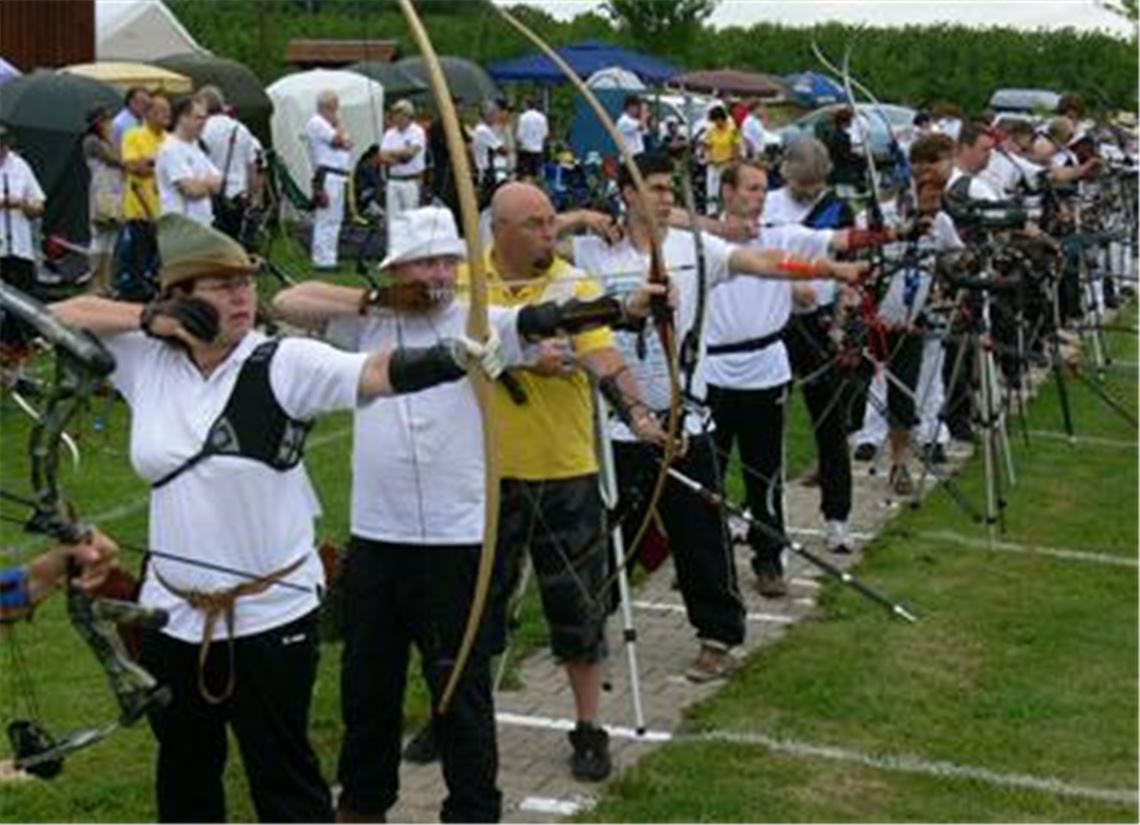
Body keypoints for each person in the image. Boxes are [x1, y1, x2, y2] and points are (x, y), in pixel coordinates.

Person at [51, 213, 503, 823]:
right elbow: (61, 315)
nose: (242, 296)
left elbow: (372, 371)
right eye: (221, 285)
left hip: (270, 612)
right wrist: (144, 320)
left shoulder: (282, 360)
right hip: (172, 610)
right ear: (178, 299)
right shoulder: (145, 358)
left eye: (245, 281)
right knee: (184, 772)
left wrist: (450, 355)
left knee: (283, 777)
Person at [271, 204, 664, 819]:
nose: (437, 273)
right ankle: (365, 803)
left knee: (463, 688)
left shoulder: (480, 319)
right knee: (367, 686)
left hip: (457, 541)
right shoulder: (366, 324)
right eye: (423, 261)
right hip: (376, 536)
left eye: (447, 260)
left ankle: (474, 808)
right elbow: (289, 301)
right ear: (396, 268)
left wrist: (623, 305)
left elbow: (552, 316)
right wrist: (376, 301)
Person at [573, 153, 865, 668]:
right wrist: (577, 218)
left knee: (700, 535)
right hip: (620, 422)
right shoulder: (594, 252)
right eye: (657, 188)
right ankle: (590, 624)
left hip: (686, 420)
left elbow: (766, 263)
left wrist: (827, 268)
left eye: (670, 189)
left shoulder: (695, 248)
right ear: (627, 194)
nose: (667, 198)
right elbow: (506, 237)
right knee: (609, 532)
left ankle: (719, 636)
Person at [481, 183, 667, 782]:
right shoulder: (466, 283)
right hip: (484, 477)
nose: (549, 234)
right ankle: (458, 713)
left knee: (578, 608)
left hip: (565, 471)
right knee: (475, 609)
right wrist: (517, 358)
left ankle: (589, 727)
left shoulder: (574, 285)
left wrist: (639, 414)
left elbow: (605, 356)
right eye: (535, 225)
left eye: (551, 222)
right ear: (501, 230)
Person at [705, 161, 893, 592]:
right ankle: (707, 563)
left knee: (764, 471)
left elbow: (839, 239)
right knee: (708, 471)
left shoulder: (781, 234)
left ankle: (768, 558)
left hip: (765, 369)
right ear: (728, 192)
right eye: (750, 188)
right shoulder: (703, 241)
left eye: (761, 188)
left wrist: (890, 234)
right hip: (713, 371)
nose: (758, 195)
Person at [762, 138, 858, 563]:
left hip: (818, 325)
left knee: (830, 422)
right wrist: (788, 283)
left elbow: (845, 270)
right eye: (803, 184)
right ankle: (765, 517)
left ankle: (837, 516)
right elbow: (752, 258)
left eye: (817, 184)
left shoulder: (837, 210)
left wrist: (839, 323)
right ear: (786, 174)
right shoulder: (765, 205)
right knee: (767, 426)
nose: (809, 191)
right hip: (772, 322)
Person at [0, 531, 118, 623]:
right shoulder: (86, 557)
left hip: (23, 586)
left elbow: (102, 555)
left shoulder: (91, 560)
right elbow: (99, 555)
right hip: (22, 583)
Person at [0, 124, 46, 356]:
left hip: (19, 243)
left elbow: (38, 202)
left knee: (22, 294)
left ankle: (17, 342)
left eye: (4, 144)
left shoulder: (19, 166)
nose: (3, 149)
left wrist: (26, 206)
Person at [119, 94, 170, 300]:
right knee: (138, 260)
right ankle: (134, 297)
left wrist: (151, 162)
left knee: (160, 261)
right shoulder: (134, 135)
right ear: (148, 113)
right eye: (161, 111)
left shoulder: (170, 139)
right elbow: (133, 166)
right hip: (140, 209)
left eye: (168, 111)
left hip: (165, 210)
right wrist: (159, 163)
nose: (167, 116)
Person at [197, 86, 258, 244]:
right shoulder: (241, 129)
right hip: (238, 195)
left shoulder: (201, 129)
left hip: (209, 195)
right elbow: (252, 167)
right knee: (235, 243)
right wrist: (251, 197)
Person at [155, 97, 222, 226]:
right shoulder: (171, 149)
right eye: (198, 118)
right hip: (182, 228)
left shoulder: (195, 146)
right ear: (182, 118)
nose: (204, 123)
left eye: (204, 118)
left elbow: (220, 183)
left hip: (202, 226)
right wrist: (208, 184)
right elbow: (192, 190)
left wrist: (203, 184)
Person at [306, 90, 353, 270]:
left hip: (336, 175)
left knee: (335, 218)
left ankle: (329, 257)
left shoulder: (326, 125)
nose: (336, 112)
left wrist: (343, 138)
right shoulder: (317, 123)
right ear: (328, 107)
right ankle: (322, 259)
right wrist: (339, 125)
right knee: (327, 218)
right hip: (328, 176)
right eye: (334, 108)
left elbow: (348, 143)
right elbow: (341, 141)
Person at [83, 106, 125, 294]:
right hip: (101, 192)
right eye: (106, 121)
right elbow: (113, 159)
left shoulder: (110, 140)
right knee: (99, 235)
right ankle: (95, 282)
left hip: (116, 190)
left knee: (111, 237)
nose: (109, 124)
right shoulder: (92, 142)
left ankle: (106, 282)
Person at [378, 98, 427, 220]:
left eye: (399, 113)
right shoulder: (390, 133)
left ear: (408, 115)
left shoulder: (417, 132)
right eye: (395, 113)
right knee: (392, 219)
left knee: (410, 218)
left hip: (411, 180)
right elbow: (382, 156)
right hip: (393, 180)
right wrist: (400, 156)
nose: (396, 117)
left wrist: (392, 154)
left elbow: (410, 154)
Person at [702, 106, 741, 215]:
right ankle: (711, 212)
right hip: (713, 164)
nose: (715, 123)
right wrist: (708, 156)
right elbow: (707, 146)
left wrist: (734, 163)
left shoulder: (732, 130)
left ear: (721, 118)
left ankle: (727, 211)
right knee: (711, 188)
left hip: (726, 163)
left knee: (725, 189)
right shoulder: (712, 130)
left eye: (716, 120)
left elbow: (736, 147)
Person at [472, 100, 508, 205]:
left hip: (484, 169)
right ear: (489, 115)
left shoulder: (480, 129)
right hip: (485, 170)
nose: (497, 117)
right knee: (488, 201)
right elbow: (502, 150)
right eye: (495, 114)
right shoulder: (484, 130)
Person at [515, 99, 549, 181]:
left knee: (525, 173)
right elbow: (545, 133)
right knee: (536, 173)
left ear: (526, 105)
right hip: (538, 150)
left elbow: (519, 135)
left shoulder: (522, 117)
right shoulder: (542, 117)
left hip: (525, 149)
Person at [111, 87, 151, 154]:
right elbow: (116, 150)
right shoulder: (119, 123)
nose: (146, 107)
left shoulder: (145, 120)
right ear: (132, 102)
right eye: (144, 102)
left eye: (148, 104)